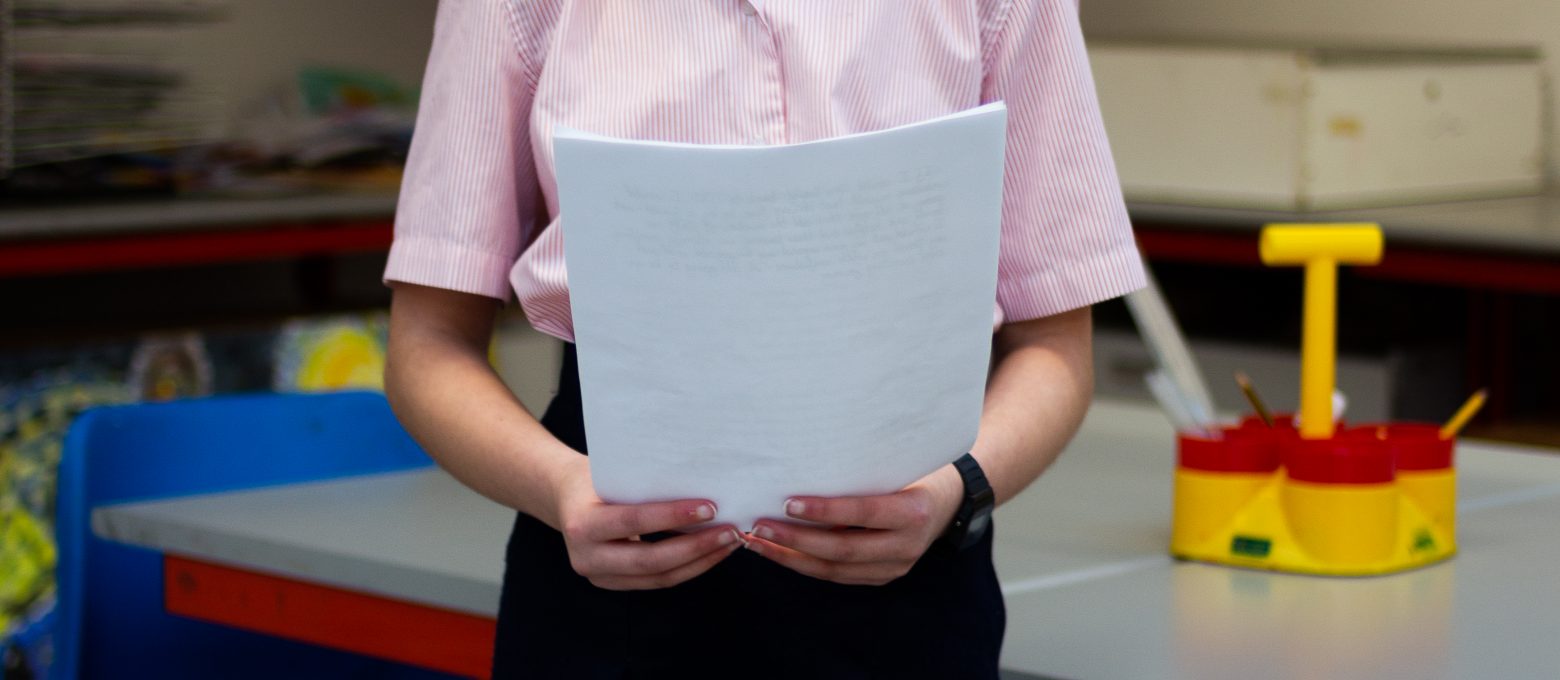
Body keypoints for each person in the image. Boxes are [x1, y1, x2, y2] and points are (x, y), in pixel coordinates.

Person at [383, 1, 1145, 677]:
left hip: (909, 564)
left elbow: (1054, 347)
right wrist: (558, 488)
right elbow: (428, 347)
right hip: (606, 568)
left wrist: (959, 490)